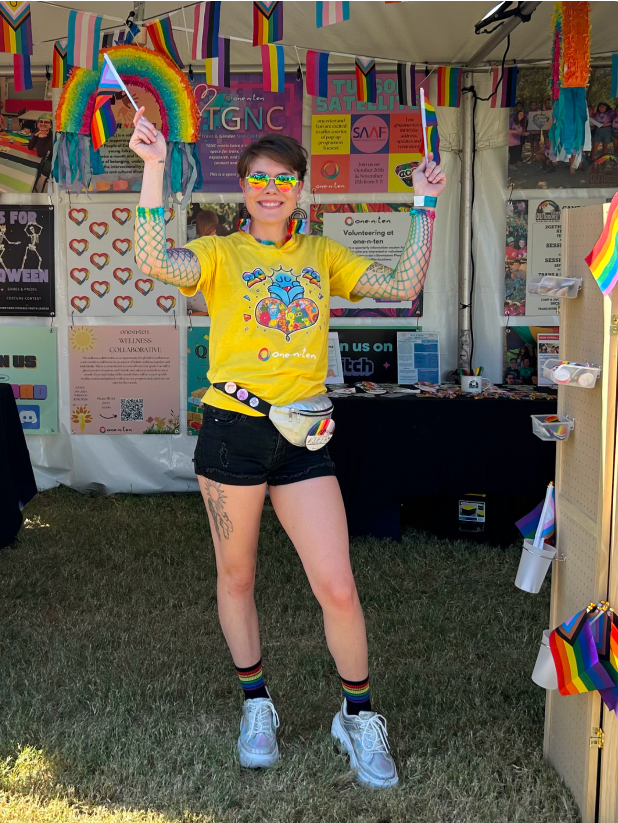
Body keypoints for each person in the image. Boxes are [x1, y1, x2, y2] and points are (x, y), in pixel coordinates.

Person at [129, 109, 446, 789]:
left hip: (304, 439)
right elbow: (155, 260)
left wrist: (426, 203)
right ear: (244, 187)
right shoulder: (220, 253)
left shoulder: (321, 254)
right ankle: (257, 704)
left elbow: (402, 283)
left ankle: (357, 715)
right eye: (258, 178)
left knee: (337, 584)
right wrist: (154, 169)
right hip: (232, 433)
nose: (270, 188)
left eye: (283, 178)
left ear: (302, 187)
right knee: (237, 577)